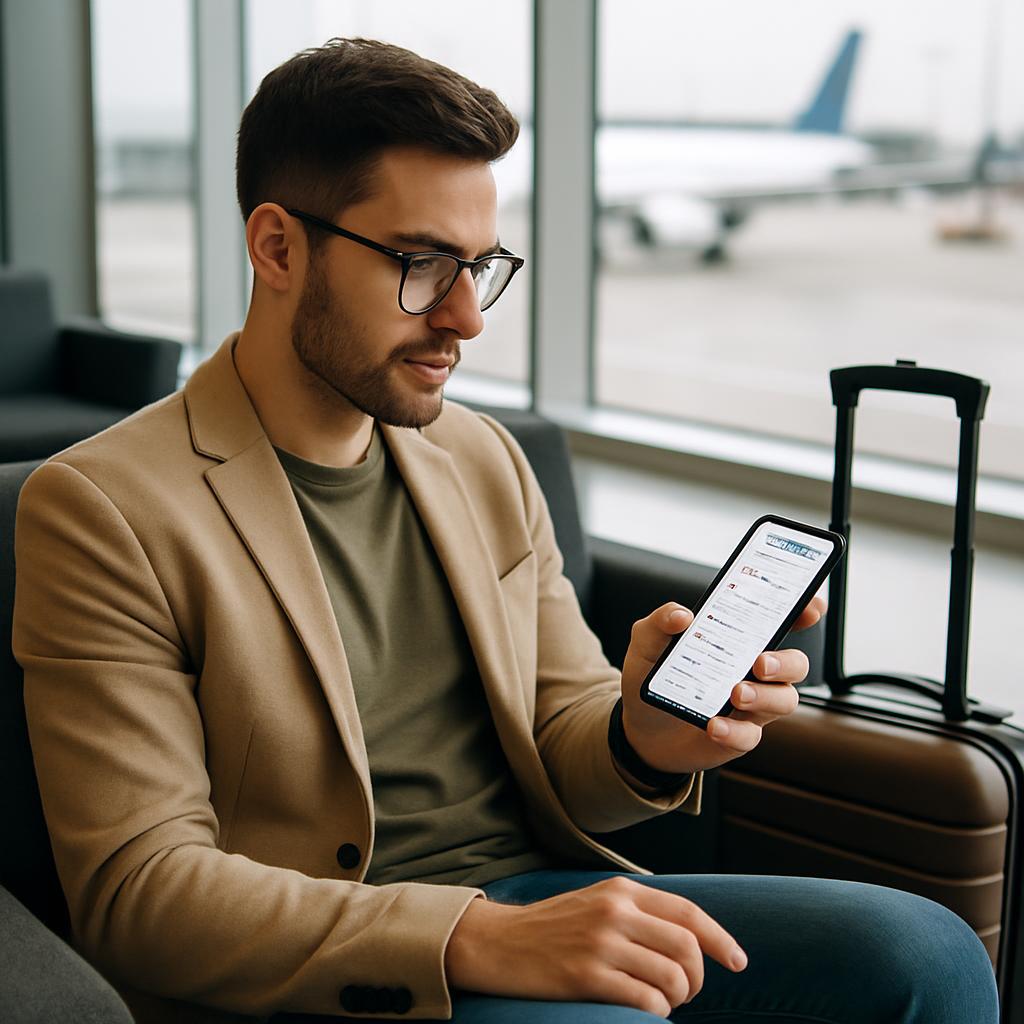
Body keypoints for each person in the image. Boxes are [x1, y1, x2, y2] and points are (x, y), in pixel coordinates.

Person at [13, 38, 996, 1024]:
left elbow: (563, 725)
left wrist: (642, 736)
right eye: (420, 263)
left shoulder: (479, 457)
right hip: (345, 969)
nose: (466, 318)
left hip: (534, 899)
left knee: (928, 954)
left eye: (477, 266)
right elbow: (139, 892)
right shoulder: (102, 508)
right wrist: (475, 936)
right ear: (277, 248)